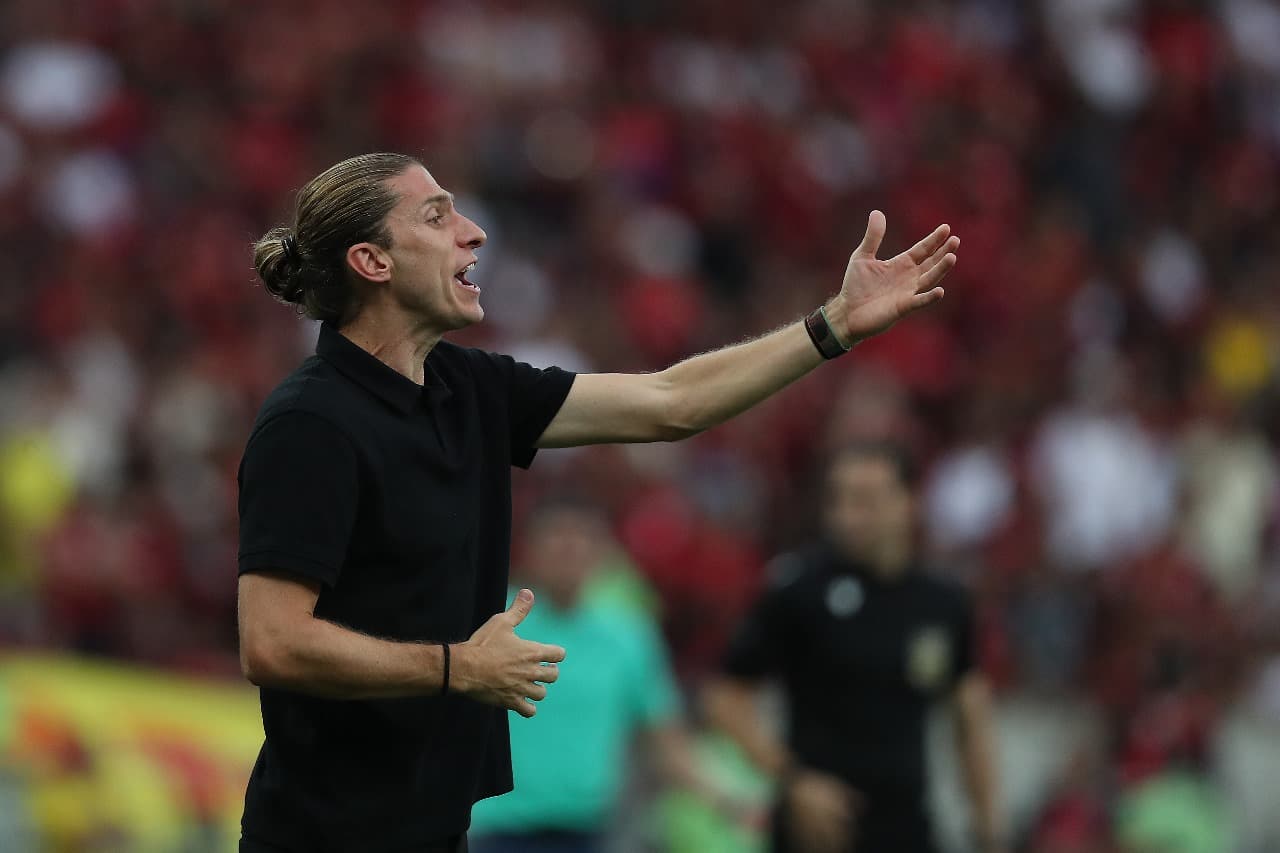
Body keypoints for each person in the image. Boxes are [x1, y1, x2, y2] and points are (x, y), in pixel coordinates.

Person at [235, 151, 959, 853]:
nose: (474, 233)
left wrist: (832, 325)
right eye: (436, 216)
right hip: (321, 838)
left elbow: (670, 402)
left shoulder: (468, 388)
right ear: (373, 261)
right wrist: (459, 666)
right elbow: (271, 641)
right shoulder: (311, 422)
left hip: (436, 826)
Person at [704, 443, 1003, 853]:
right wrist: (793, 780)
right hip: (815, 835)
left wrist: (988, 828)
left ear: (909, 502)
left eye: (864, 501)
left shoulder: (943, 603)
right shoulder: (798, 589)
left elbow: (969, 716)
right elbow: (725, 700)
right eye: (838, 500)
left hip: (906, 828)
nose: (846, 516)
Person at [468, 501, 735, 853]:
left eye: (582, 538)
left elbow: (663, 739)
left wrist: (724, 798)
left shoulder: (628, 635)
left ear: (602, 552)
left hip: (587, 831)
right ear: (529, 549)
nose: (569, 549)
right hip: (497, 830)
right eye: (557, 537)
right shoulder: (493, 624)